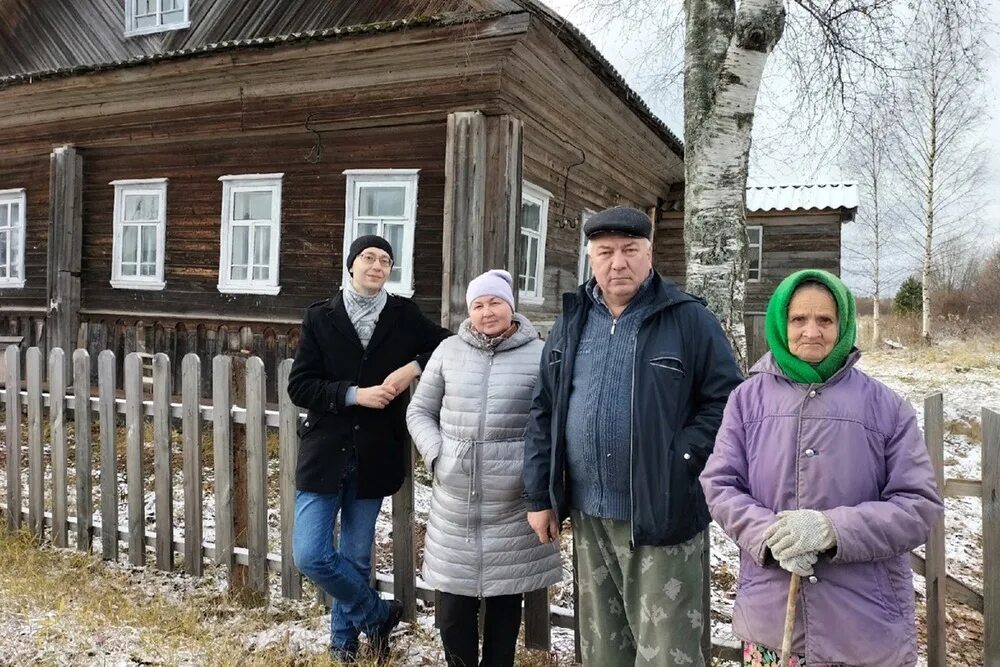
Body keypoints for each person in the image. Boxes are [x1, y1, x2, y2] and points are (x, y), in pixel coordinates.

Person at [522, 207, 743, 666]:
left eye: (629, 251)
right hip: (589, 514)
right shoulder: (573, 319)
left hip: (660, 513)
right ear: (590, 258)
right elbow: (545, 408)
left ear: (649, 254)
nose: (617, 263)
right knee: (604, 652)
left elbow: (728, 403)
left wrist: (679, 457)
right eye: (604, 252)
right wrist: (539, 494)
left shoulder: (688, 320)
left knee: (668, 653)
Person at [700, 269, 944, 667]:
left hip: (864, 629)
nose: (811, 331)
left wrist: (833, 530)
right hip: (773, 620)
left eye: (825, 320)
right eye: (798, 319)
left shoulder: (885, 407)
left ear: (844, 324)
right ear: (781, 323)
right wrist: (769, 534)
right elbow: (721, 484)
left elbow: (918, 507)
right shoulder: (746, 401)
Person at [287, 235, 450, 662]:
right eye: (368, 258)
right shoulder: (320, 317)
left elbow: (446, 342)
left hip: (376, 451)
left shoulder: (403, 314)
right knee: (310, 553)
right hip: (325, 452)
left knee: (357, 555)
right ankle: (377, 613)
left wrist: (411, 368)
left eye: (386, 261)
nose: (377, 266)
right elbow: (300, 385)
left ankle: (344, 645)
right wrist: (353, 395)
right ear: (351, 265)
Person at [406, 269, 562, 667]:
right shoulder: (448, 351)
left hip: (512, 498)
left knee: (504, 604)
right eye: (478, 304)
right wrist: (439, 455)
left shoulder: (540, 354)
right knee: (453, 605)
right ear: (469, 310)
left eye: (495, 302)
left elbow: (554, 421)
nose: (487, 311)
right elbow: (419, 410)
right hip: (455, 499)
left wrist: (536, 477)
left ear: (511, 307)